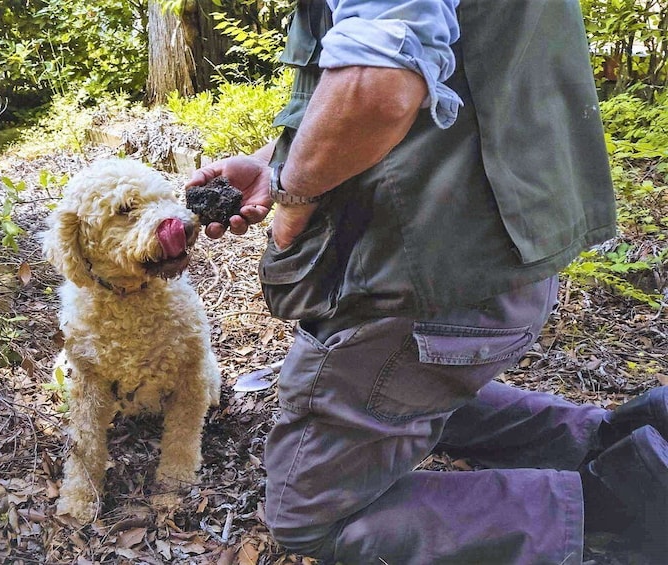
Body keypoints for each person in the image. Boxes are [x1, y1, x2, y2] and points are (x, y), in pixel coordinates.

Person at [186, 0, 668, 563]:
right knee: (409, 391)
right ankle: (624, 444)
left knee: (308, 515)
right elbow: (437, 72)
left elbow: (380, 85)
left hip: (427, 276)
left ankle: (620, 503)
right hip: (502, 255)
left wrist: (294, 202)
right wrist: (277, 165)